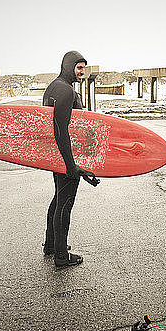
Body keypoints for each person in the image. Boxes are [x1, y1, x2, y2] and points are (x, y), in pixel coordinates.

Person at [42, 50, 98, 268]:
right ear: (68, 66)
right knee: (65, 203)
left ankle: (51, 245)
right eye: (79, 67)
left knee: (58, 199)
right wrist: (71, 165)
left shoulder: (53, 87)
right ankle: (61, 256)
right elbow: (60, 130)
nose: (82, 72)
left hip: (56, 155)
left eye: (84, 67)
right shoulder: (65, 91)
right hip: (66, 156)